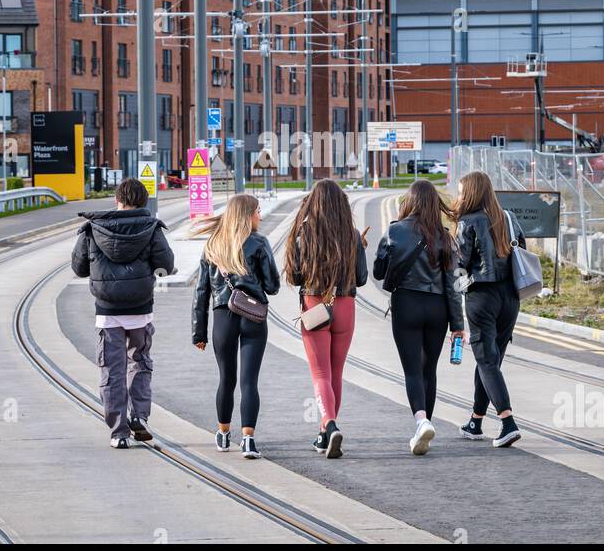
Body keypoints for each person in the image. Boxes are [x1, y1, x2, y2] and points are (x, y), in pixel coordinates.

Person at [71, 178, 175, 449]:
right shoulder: (152, 228)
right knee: (139, 362)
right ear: (143, 202)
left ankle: (118, 432)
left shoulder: (93, 228)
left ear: (118, 200)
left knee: (111, 370)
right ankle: (139, 416)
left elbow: (79, 268)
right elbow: (166, 264)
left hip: (107, 312)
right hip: (141, 308)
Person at [373, 179, 464, 455]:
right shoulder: (445, 237)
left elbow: (378, 272)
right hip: (437, 308)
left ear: (410, 201)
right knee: (429, 370)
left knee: (412, 370)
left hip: (407, 304)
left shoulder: (395, 231)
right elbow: (454, 285)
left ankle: (421, 421)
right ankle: (426, 426)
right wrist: (458, 325)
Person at [191, 194, 280, 460]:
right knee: (249, 381)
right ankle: (249, 440)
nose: (260, 217)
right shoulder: (259, 243)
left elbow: (201, 292)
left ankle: (222, 433)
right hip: (253, 315)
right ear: (247, 215)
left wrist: (199, 332)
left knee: (226, 379)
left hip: (222, 317)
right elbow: (273, 286)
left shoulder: (212, 244)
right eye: (258, 212)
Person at [284, 179, 368, 459]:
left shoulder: (303, 235)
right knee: (336, 373)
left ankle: (329, 426)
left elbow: (296, 277)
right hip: (345, 305)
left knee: (320, 374)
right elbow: (362, 278)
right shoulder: (352, 235)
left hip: (314, 305)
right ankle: (324, 433)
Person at [453, 171, 525, 448]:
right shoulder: (508, 217)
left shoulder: (468, 222)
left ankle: (508, 421)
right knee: (491, 361)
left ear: (471, 193)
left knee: (486, 359)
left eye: (461, 192)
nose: (459, 197)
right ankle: (475, 420)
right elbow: (523, 250)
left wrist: (455, 289)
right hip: (511, 297)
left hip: (481, 295)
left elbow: (461, 263)